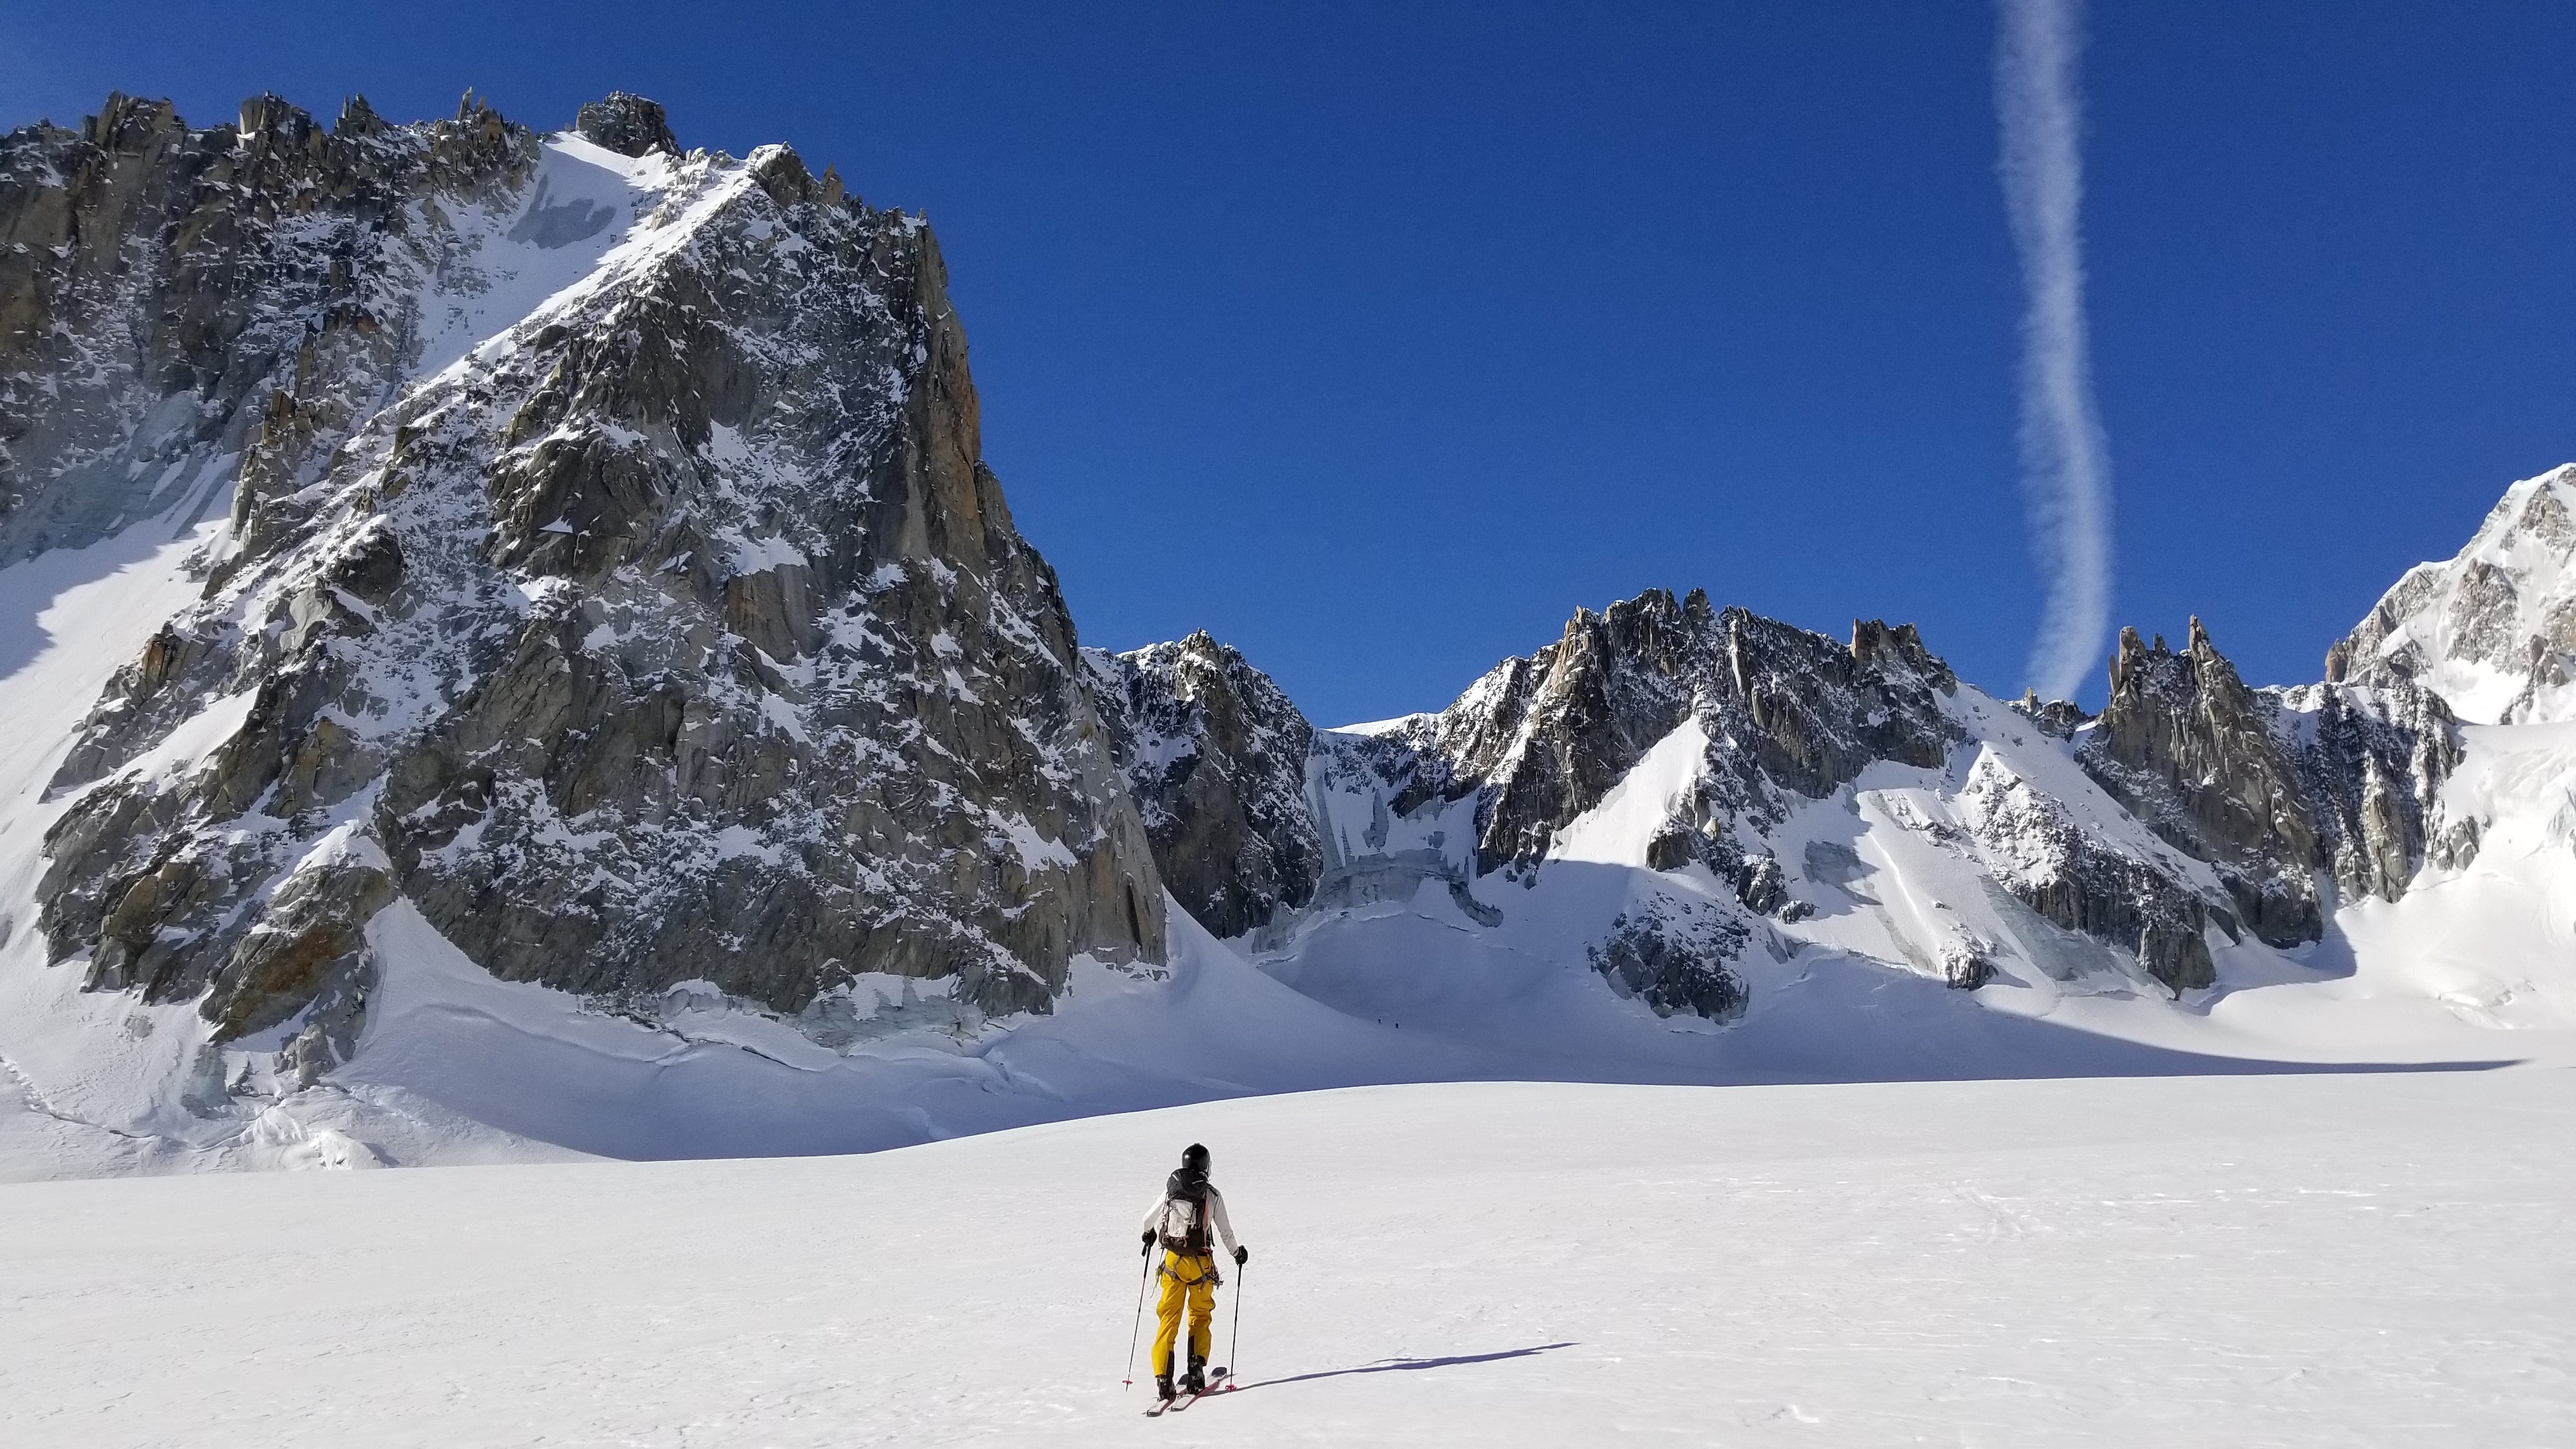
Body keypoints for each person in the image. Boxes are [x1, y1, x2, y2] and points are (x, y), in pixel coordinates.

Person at [1138, 1142, 1247, 1401]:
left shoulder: (1172, 1190)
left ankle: (1163, 1379)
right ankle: (1196, 1369)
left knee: (1168, 1319)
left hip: (1173, 1264)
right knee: (1199, 1315)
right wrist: (1237, 1253)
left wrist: (1148, 1234)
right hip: (1201, 1265)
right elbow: (1225, 1232)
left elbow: (1147, 1220)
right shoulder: (1212, 1194)